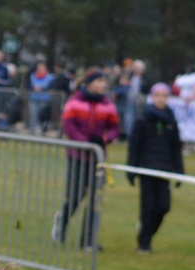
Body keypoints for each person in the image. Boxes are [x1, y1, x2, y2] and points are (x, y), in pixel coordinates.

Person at [52, 68, 119, 248]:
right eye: (99, 81)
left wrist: (104, 139)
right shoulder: (74, 102)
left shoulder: (108, 104)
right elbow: (68, 126)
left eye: (104, 81)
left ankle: (88, 240)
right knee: (75, 196)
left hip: (98, 158)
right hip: (78, 156)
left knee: (95, 199)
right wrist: (86, 142)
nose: (103, 85)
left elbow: (114, 127)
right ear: (89, 83)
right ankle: (61, 224)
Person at [126, 83, 184, 254]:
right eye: (157, 95)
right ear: (152, 97)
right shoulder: (142, 120)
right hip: (146, 169)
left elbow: (176, 148)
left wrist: (180, 171)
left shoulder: (171, 121)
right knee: (148, 206)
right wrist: (131, 169)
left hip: (164, 169)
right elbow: (135, 146)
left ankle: (148, 231)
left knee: (164, 206)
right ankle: (144, 244)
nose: (161, 99)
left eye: (164, 96)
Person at [28, 61, 54, 134]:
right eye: (39, 67)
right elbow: (28, 86)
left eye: (42, 67)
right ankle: (32, 132)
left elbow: (52, 88)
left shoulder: (50, 77)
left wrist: (42, 89)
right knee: (33, 115)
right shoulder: (32, 76)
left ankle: (43, 131)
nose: (40, 69)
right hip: (33, 99)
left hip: (45, 100)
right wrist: (34, 88)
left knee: (42, 116)